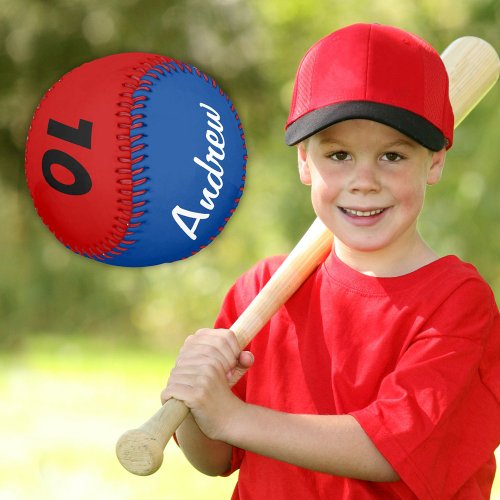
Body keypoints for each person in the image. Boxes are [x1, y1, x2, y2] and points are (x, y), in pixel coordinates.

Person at [161, 23, 500, 499]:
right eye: (338, 154)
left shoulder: (457, 303)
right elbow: (215, 458)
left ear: (437, 160)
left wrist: (235, 417)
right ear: (304, 161)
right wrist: (195, 399)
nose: (364, 181)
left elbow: (388, 450)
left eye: (393, 156)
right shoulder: (262, 289)